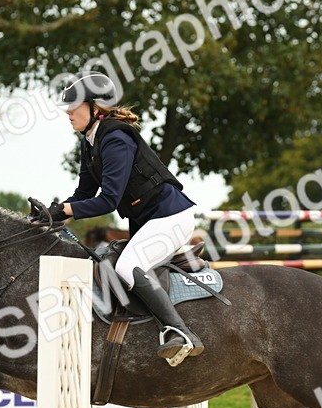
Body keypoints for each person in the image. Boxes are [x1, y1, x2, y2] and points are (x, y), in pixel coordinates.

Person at [33, 72, 202, 365]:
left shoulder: (115, 138)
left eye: (74, 107)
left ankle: (180, 332)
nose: (69, 114)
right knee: (109, 262)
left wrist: (67, 210)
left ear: (95, 108)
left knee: (128, 266)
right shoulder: (89, 142)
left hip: (171, 217)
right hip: (150, 221)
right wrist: (54, 215)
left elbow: (107, 200)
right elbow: (84, 192)